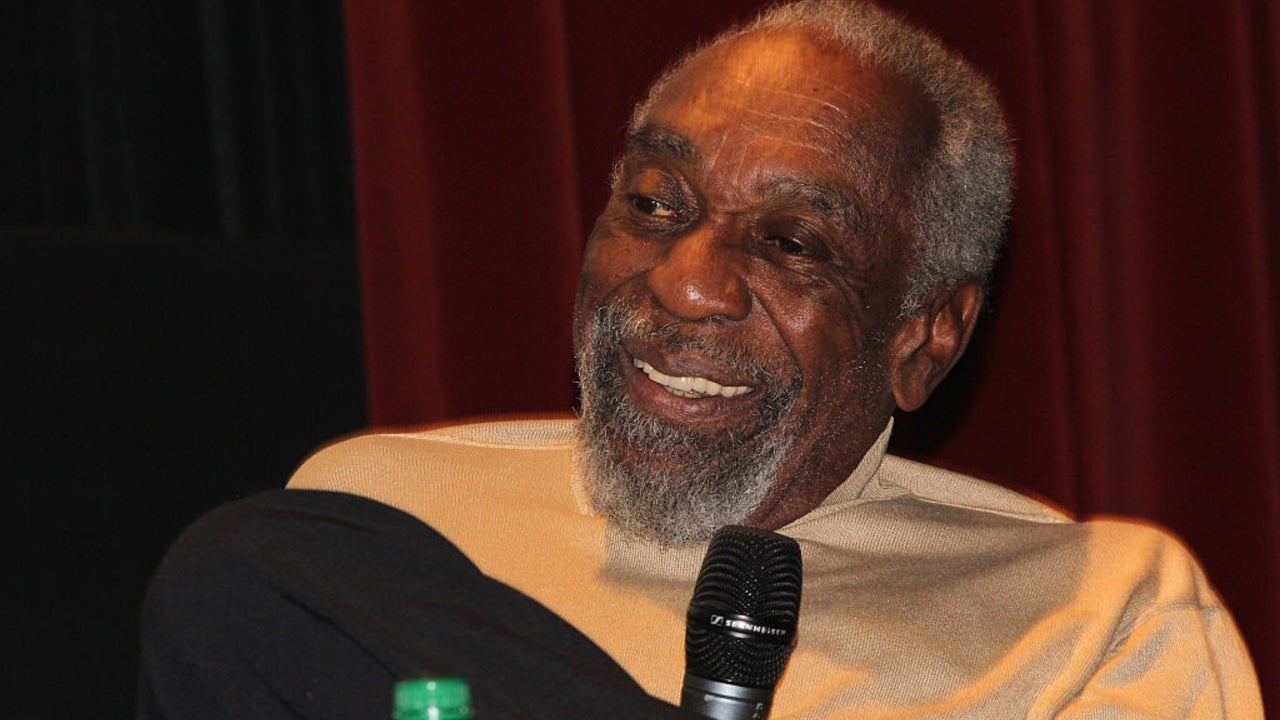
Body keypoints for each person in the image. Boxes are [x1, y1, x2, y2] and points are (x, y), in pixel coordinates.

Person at [139, 1, 1263, 717]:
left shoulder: (1095, 616)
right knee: (242, 569)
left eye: (791, 244)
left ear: (924, 335)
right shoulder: (377, 535)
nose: (685, 282)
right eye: (654, 203)